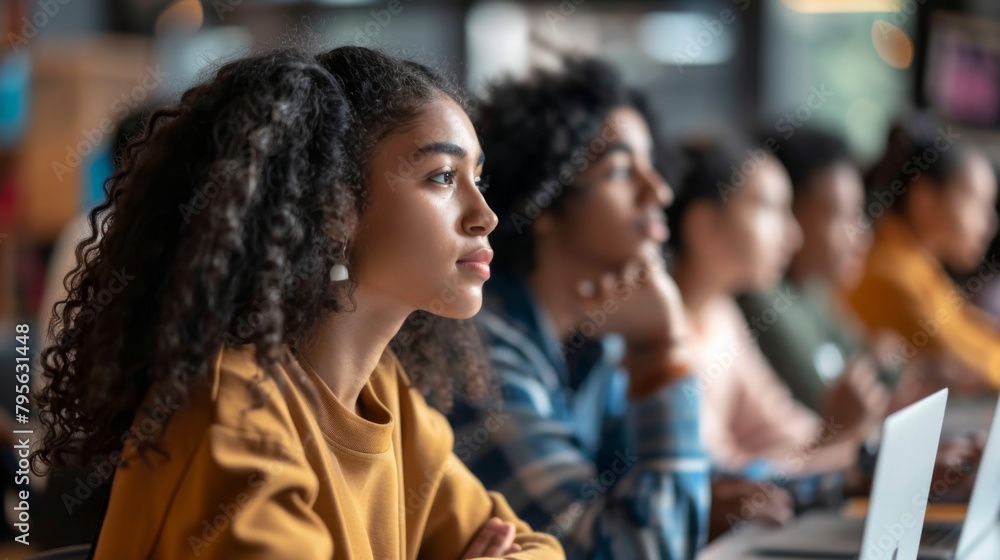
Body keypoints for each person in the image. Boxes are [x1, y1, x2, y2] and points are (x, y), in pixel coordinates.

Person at [32, 46, 563, 559]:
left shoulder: (385, 395)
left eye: (478, 177)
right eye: (443, 177)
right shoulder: (234, 408)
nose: (485, 214)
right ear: (335, 209)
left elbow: (537, 548)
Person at [447, 58, 711, 559]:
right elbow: (637, 548)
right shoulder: (479, 352)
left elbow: (654, 490)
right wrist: (664, 349)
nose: (659, 191)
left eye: (652, 165)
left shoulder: (596, 340)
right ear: (545, 202)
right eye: (618, 170)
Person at [667, 135, 879, 485]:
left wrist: (842, 443)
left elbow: (780, 428)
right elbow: (722, 483)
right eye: (770, 209)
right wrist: (844, 448)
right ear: (704, 227)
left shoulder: (721, 315)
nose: (793, 236)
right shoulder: (659, 339)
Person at [736, 129, 893, 415]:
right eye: (840, 214)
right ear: (788, 209)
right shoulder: (760, 299)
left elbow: (880, 368)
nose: (862, 234)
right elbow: (831, 409)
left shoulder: (813, 290)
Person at [846, 114, 1000, 389]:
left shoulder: (918, 264)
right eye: (977, 203)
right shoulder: (892, 275)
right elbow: (974, 372)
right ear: (925, 199)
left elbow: (974, 333)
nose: (990, 224)